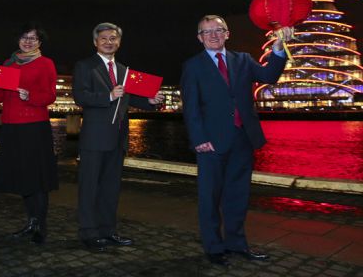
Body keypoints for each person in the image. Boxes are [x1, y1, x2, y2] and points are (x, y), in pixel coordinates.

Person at [181, 14, 292, 266]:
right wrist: (199, 139)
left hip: (243, 138)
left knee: (238, 196)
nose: (213, 35)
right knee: (209, 197)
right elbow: (191, 107)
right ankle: (214, 247)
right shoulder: (193, 66)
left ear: (227, 34)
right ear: (199, 38)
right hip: (210, 142)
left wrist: (277, 48)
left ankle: (237, 243)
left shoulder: (242, 59)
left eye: (218, 30)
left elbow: (269, 77)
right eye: (206, 32)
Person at [72, 22, 164, 251]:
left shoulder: (124, 70)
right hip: (94, 138)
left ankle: (108, 230)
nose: (108, 42)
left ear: (119, 42)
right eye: (103, 38)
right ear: (95, 42)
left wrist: (150, 102)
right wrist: (108, 95)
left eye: (113, 38)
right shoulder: (85, 66)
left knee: (111, 188)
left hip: (118, 138)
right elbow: (80, 97)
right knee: (90, 187)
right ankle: (88, 233)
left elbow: (130, 98)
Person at [0, 22, 58, 245]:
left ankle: (41, 226)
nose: (28, 41)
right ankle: (31, 222)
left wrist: (29, 96)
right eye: (25, 37)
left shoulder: (45, 64)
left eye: (33, 38)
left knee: (36, 178)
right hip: (12, 126)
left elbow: (50, 95)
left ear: (39, 42)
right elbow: (0, 94)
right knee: (23, 177)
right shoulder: (8, 63)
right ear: (18, 40)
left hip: (34, 126)